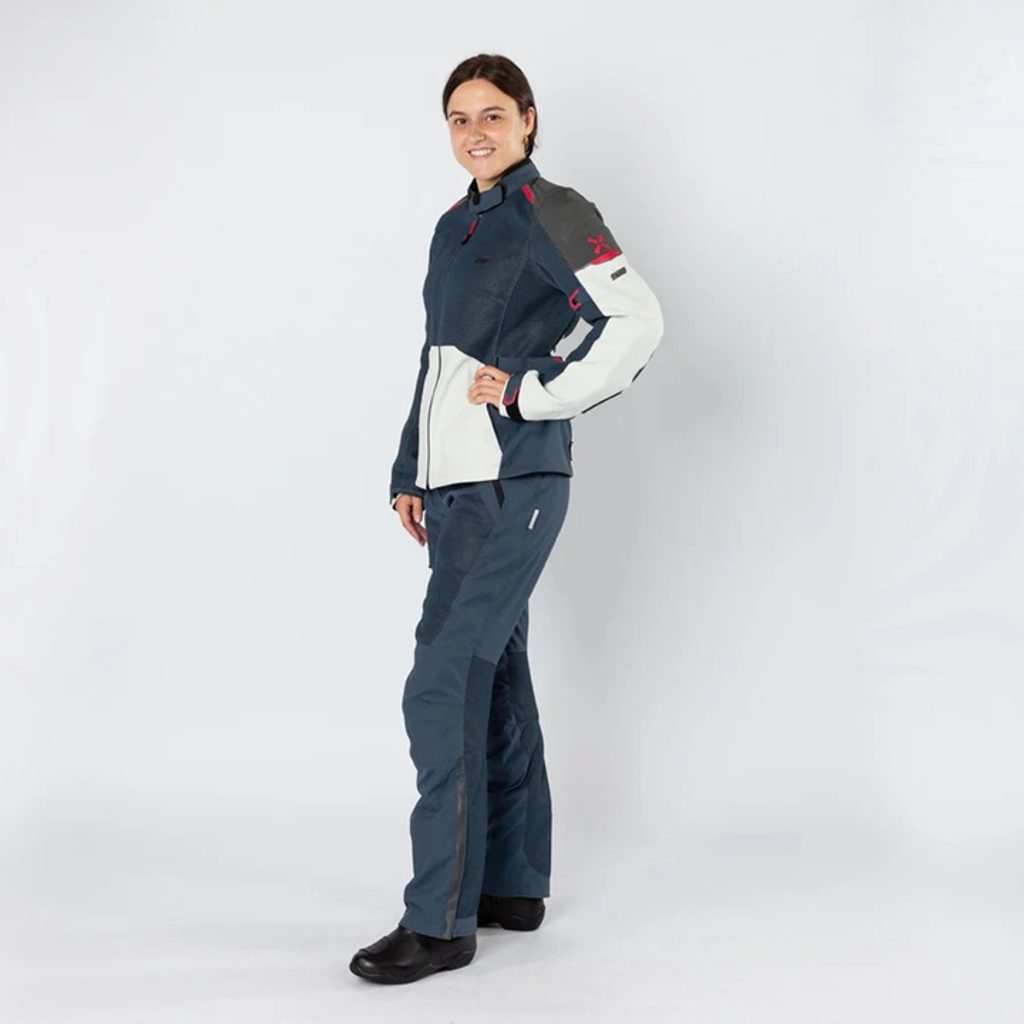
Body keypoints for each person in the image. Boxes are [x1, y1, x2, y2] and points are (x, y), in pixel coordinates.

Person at [350, 52, 664, 985]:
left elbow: (636, 322)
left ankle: (440, 922)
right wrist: (410, 471)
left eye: (492, 114)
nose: (475, 133)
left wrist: (531, 394)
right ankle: (513, 887)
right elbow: (436, 358)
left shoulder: (552, 210)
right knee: (493, 676)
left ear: (527, 118)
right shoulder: (454, 227)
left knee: (442, 683)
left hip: (513, 481)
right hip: (453, 490)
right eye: (458, 118)